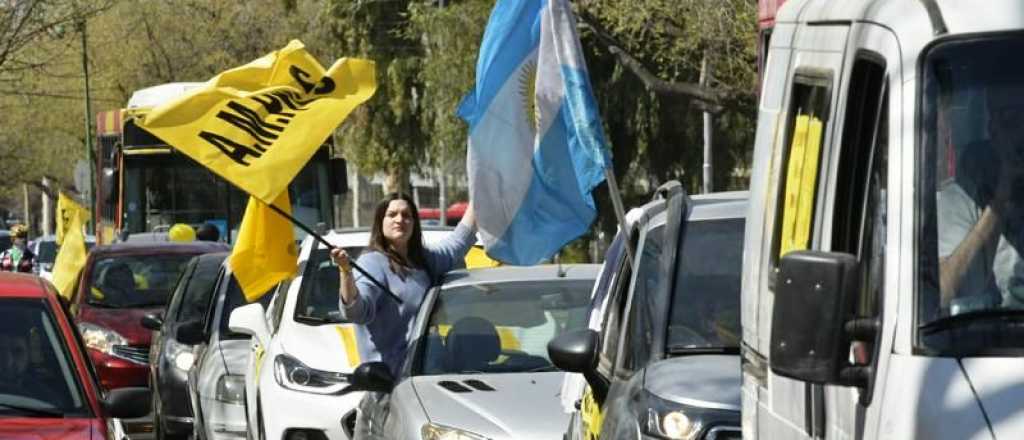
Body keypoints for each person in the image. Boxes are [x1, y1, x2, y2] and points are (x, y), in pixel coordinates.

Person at [331, 193, 477, 375]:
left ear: (415, 224)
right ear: (380, 222)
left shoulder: (426, 260)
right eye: (392, 214)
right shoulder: (372, 263)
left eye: (406, 215)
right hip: (391, 384)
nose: (400, 220)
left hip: (431, 377)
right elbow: (356, 312)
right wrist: (345, 271)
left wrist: (481, 192)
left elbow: (459, 241)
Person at [938, 80, 1024, 312]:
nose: (1021, 131)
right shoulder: (961, 199)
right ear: (993, 130)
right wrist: (1001, 196)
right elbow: (945, 292)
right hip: (991, 341)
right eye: (1010, 119)